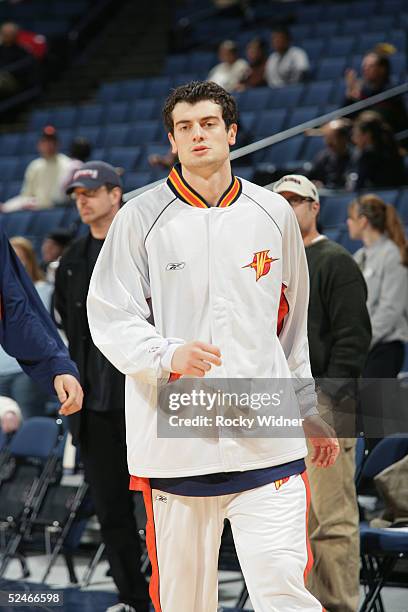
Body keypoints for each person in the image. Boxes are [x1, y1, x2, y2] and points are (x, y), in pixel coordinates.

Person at [87, 80, 339, 612]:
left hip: (267, 436)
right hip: (178, 439)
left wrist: (305, 407)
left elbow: (291, 331)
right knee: (185, 602)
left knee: (284, 591)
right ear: (172, 142)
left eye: (207, 124)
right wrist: (166, 354)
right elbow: (110, 316)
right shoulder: (139, 217)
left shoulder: (273, 214)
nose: (197, 135)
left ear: (231, 132)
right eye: (184, 127)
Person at [54, 161, 150, 612]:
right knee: (111, 511)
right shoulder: (71, 261)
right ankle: (132, 599)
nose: (83, 200)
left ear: (116, 193)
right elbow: (68, 331)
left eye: (90, 192)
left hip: (144, 400)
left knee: (160, 509)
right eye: (76, 195)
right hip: (93, 406)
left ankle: (171, 597)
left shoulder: (145, 246)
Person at [273, 174, 371, 612]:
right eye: (281, 201)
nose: (289, 207)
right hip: (277, 404)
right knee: (289, 521)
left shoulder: (335, 261)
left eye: (298, 200)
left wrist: (326, 404)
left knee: (330, 519)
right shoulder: (266, 264)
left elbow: (353, 339)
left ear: (315, 208)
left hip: (327, 403)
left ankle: (339, 606)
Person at [0, 227, 82, 417]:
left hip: (18, 368)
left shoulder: (44, 289)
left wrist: (55, 363)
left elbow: (17, 310)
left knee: (27, 418)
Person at [347, 194, 408, 378]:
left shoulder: (392, 254)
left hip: (384, 349)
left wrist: (361, 342)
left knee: (375, 407)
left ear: (363, 221)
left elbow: (390, 309)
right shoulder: (358, 257)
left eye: (351, 218)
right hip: (363, 349)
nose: (347, 222)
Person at [0, 237, 54, 419]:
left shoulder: (43, 290)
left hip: (28, 370)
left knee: (30, 422)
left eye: (19, 258)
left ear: (29, 261)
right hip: (2, 368)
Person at [2, 125, 71, 212]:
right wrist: (7, 207)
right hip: (36, 209)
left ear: (58, 144)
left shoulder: (67, 164)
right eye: (45, 141)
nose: (49, 145)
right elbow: (26, 196)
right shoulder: (34, 166)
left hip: (57, 209)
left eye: (52, 141)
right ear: (39, 145)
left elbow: (65, 197)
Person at [344, 51, 408, 134]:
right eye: (364, 66)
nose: (365, 69)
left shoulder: (392, 93)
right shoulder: (363, 92)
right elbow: (346, 120)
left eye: (370, 66)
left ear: (382, 69)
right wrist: (350, 96)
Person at [348, 111, 406, 190]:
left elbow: (356, 187)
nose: (353, 139)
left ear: (367, 135)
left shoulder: (367, 156)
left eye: (356, 134)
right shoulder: (394, 150)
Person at [307, 119, 352, 189]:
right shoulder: (323, 156)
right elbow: (311, 176)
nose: (328, 143)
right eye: (327, 138)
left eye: (332, 138)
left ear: (344, 138)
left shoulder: (356, 157)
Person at [0, 21, 34, 98]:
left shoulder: (22, 51)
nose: (6, 35)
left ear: (16, 34)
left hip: (14, 80)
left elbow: (25, 71)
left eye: (9, 33)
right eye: (4, 32)